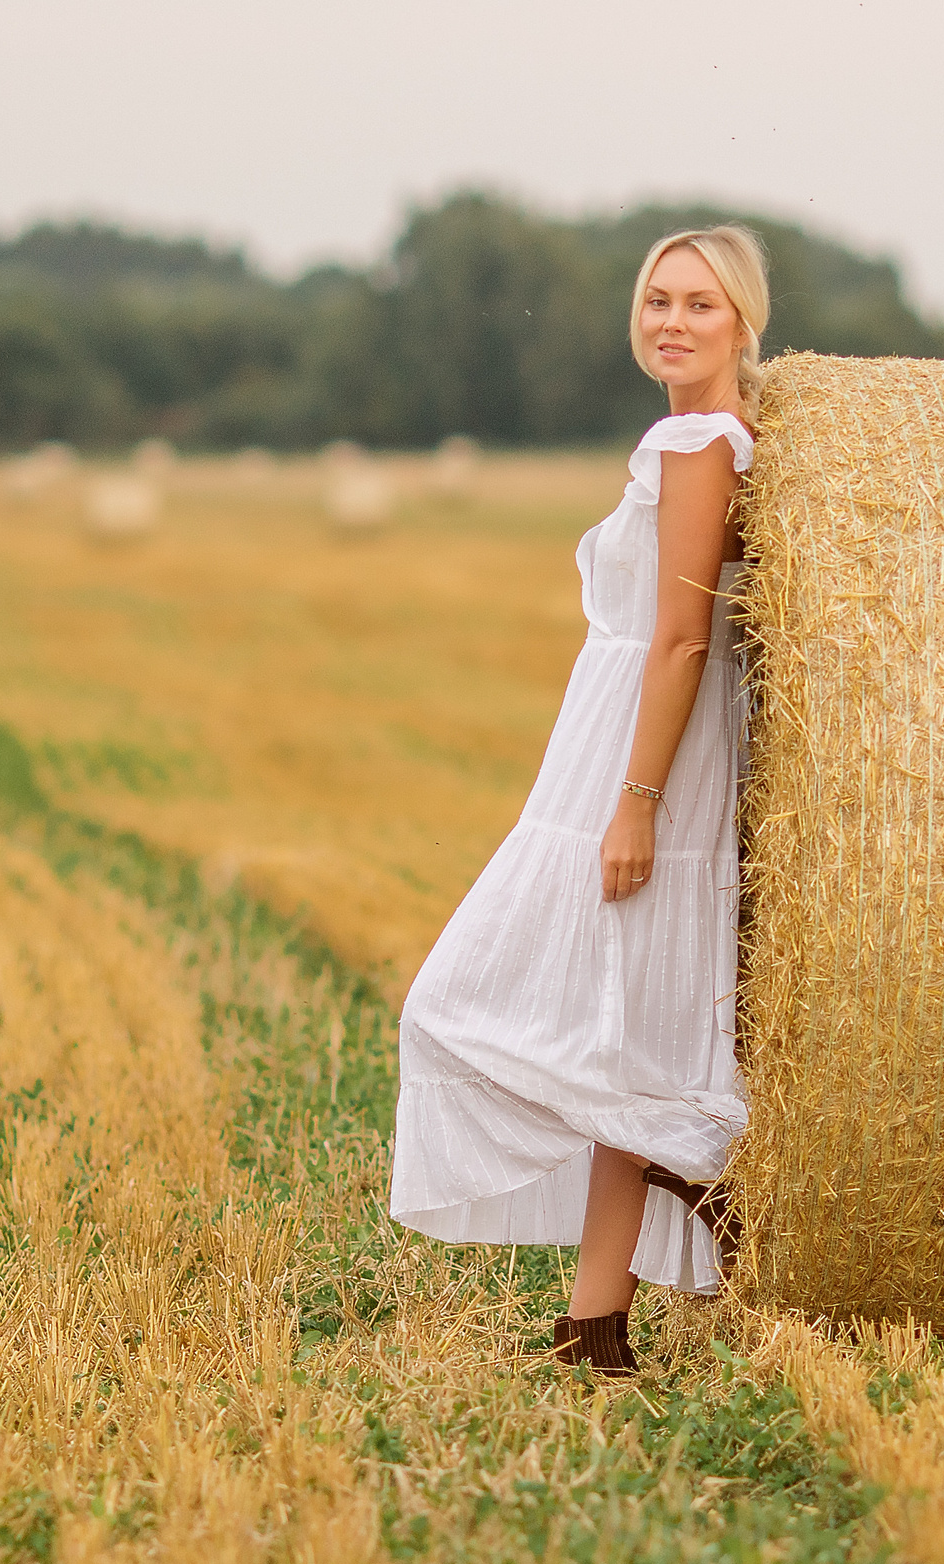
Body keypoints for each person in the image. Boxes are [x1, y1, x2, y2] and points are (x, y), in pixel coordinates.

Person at [388, 225, 769, 1376]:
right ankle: (594, 1325)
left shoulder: (698, 438)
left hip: (645, 747)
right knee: (621, 1025)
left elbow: (683, 635)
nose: (671, 322)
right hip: (640, 737)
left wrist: (636, 802)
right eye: (657, 300)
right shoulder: (733, 434)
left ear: (744, 321)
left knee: (458, 1002)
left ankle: (698, 1165)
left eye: (700, 304)